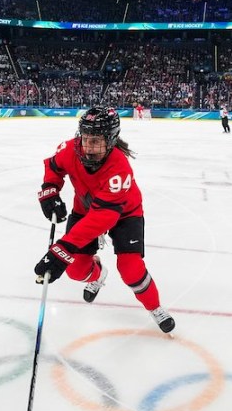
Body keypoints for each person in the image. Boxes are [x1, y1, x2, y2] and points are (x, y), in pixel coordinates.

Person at [33, 106, 174, 333]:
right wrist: (50, 190)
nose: (88, 147)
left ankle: (155, 307)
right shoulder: (70, 149)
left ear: (111, 140)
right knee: (76, 271)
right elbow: (53, 167)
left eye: (96, 141)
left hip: (125, 214)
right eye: (86, 139)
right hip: (86, 210)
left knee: (131, 269)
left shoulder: (119, 168)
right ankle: (98, 272)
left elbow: (104, 217)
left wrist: (62, 248)